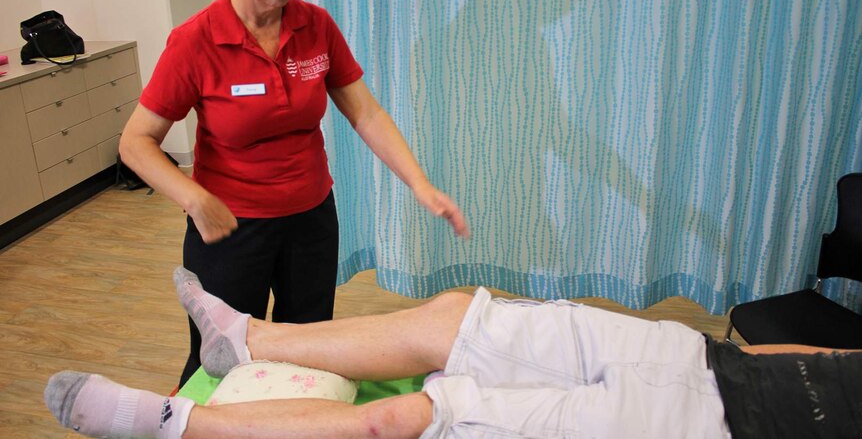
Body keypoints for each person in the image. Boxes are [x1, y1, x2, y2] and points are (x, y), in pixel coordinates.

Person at [118, 0, 469, 386]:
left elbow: (365, 112)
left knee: (306, 347)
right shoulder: (196, 40)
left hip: (310, 220)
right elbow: (135, 142)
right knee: (219, 357)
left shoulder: (315, 26)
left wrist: (420, 184)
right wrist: (193, 197)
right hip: (230, 229)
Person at [46, 268, 861, 439]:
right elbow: (809, 357)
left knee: (423, 412)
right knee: (457, 317)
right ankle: (246, 338)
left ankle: (173, 423)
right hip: (701, 357)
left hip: (695, 424)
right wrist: (735, 351)